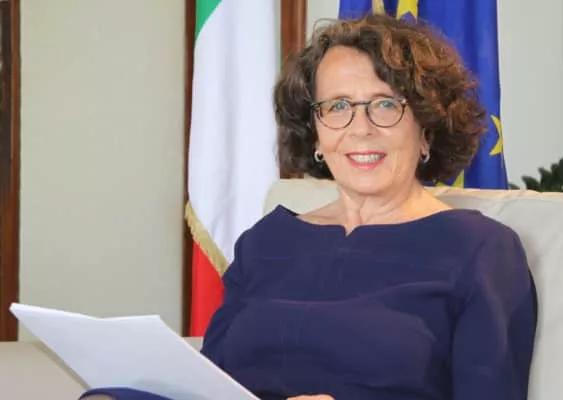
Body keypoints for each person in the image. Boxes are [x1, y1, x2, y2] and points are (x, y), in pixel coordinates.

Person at [81, 13, 537, 400]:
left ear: (427, 128)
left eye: (385, 104)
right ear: (315, 132)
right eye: (337, 106)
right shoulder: (267, 242)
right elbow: (210, 384)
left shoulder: (481, 249)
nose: (360, 128)